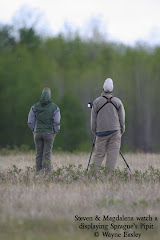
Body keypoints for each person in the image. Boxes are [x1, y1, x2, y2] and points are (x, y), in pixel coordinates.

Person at [91, 78, 125, 171]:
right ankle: (108, 178)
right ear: (113, 89)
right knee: (112, 155)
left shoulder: (97, 102)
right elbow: (122, 118)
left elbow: (93, 120)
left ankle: (93, 175)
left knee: (98, 154)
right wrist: (122, 130)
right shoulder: (118, 101)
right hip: (115, 131)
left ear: (103, 88)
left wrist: (95, 131)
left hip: (101, 132)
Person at [28, 87, 60, 172]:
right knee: (47, 154)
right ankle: (46, 174)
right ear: (49, 95)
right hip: (49, 133)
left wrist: (34, 130)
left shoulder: (35, 107)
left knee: (39, 153)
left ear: (42, 95)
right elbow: (56, 121)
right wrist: (55, 131)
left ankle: (38, 173)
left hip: (37, 133)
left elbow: (30, 121)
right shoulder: (55, 107)